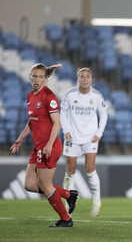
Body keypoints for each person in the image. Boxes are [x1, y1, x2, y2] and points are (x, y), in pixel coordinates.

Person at [10, 63, 78, 227]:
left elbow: (57, 124)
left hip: (49, 147)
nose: (37, 80)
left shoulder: (49, 96)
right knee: (30, 185)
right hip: (38, 147)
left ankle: (65, 219)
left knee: (45, 185)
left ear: (46, 79)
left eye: (41, 77)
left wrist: (48, 145)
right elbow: (33, 121)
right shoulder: (30, 96)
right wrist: (20, 138)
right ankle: (68, 194)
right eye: (35, 76)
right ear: (30, 77)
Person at [61, 67, 108, 217]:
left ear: (91, 79)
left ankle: (97, 201)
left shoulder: (97, 96)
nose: (85, 79)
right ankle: (69, 203)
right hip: (72, 137)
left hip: (90, 137)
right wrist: (66, 130)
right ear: (78, 79)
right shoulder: (70, 94)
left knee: (90, 168)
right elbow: (63, 112)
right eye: (82, 76)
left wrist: (99, 133)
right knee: (70, 171)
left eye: (87, 76)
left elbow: (104, 115)